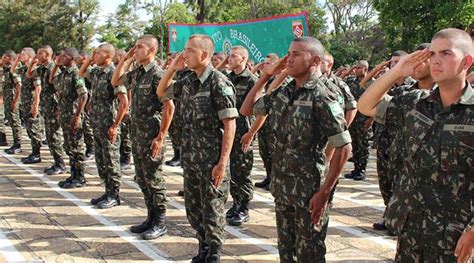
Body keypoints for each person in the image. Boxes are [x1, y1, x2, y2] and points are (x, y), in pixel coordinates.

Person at [358, 28, 473, 263]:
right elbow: (365, 105)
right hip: (411, 229)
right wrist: (397, 72)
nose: (436, 60)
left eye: (446, 53)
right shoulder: (414, 103)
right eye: (432, 54)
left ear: (467, 62)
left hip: (455, 235)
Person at [240, 36, 352, 262]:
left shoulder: (323, 95)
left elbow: (344, 147)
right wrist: (266, 75)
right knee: (286, 252)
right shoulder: (284, 92)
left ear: (315, 60)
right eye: (288, 54)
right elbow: (247, 109)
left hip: (309, 190)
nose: (289, 59)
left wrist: (324, 192)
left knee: (309, 253)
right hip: (283, 188)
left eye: (296, 54)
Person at [157, 34, 237, 262]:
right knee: (193, 209)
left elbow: (230, 125)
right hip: (191, 159)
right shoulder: (187, 81)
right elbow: (161, 92)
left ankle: (214, 253)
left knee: (213, 209)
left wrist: (222, 162)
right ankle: (202, 247)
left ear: (204, 54)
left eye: (190, 51)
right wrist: (172, 68)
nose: (185, 54)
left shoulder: (219, 83)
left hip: (212, 161)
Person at [112, 35, 174, 240]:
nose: (135, 50)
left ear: (152, 50)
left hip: (151, 135)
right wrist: (126, 58)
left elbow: (169, 107)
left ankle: (161, 221)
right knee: (143, 178)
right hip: (137, 134)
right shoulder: (137, 73)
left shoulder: (158, 74)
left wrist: (161, 136)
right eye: (135, 47)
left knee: (154, 179)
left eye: (139, 47)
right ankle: (150, 217)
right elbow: (116, 80)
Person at [79, 43, 129, 209]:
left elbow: (124, 102)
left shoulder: (114, 74)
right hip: (97, 123)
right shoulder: (97, 72)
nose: (95, 56)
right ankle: (107, 191)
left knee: (111, 160)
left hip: (109, 124)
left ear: (108, 56)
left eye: (99, 53)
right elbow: (81, 72)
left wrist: (115, 125)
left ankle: (115, 194)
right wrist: (90, 57)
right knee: (101, 160)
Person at [221, 45, 257, 226]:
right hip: (228, 132)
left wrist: (251, 134)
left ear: (243, 59)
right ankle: (235, 204)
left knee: (242, 172)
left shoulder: (252, 80)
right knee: (232, 171)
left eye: (233, 56)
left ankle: (243, 207)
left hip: (243, 132)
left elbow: (262, 112)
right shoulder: (226, 78)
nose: (229, 58)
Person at [50, 48, 88, 188]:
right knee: (69, 146)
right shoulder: (64, 73)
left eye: (63, 56)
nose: (60, 58)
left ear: (72, 58)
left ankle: (80, 177)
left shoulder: (75, 74)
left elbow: (83, 95)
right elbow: (51, 80)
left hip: (73, 116)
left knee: (77, 147)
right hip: (65, 115)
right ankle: (73, 174)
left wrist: (77, 115)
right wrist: (56, 65)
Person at [28, 45, 67, 175]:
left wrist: (59, 108)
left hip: (53, 107)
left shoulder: (52, 69)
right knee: (50, 137)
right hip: (46, 106)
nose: (37, 56)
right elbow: (29, 75)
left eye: (40, 54)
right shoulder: (42, 68)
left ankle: (60, 164)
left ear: (47, 55)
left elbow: (60, 90)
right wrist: (32, 63)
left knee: (54, 136)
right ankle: (56, 162)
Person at [11, 48, 45, 164]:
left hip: (32, 104)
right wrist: (16, 60)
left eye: (22, 54)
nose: (20, 56)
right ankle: (34, 152)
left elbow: (38, 88)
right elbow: (13, 70)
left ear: (29, 56)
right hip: (25, 104)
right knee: (30, 129)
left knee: (35, 130)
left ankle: (37, 154)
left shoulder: (34, 70)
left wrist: (35, 106)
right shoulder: (25, 69)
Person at [344, 60, 372, 181]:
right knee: (355, 144)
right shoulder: (352, 82)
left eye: (358, 68)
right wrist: (350, 69)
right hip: (353, 119)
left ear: (365, 69)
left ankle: (362, 170)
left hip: (364, 119)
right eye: (355, 68)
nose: (356, 70)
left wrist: (371, 119)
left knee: (363, 145)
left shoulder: (371, 84)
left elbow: (377, 101)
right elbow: (341, 79)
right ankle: (356, 168)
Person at [113, 49, 133, 169]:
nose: (114, 57)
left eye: (117, 56)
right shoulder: (117, 69)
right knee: (121, 133)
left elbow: (129, 91)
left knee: (126, 135)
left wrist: (127, 108)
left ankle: (126, 158)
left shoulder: (127, 70)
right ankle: (122, 156)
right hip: (118, 106)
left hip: (126, 106)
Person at [2, 50, 23, 154]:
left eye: (4, 57)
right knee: (11, 121)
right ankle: (15, 144)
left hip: (12, 99)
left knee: (15, 122)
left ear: (10, 58)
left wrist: (15, 101)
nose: (2, 58)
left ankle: (18, 144)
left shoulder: (13, 70)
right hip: (7, 99)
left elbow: (19, 85)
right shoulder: (6, 69)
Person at [77, 50, 95, 159]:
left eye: (78, 57)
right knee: (83, 126)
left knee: (87, 126)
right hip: (82, 100)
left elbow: (95, 87)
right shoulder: (80, 68)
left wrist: (91, 101)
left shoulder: (89, 69)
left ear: (84, 57)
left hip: (88, 99)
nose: (76, 59)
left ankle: (91, 149)